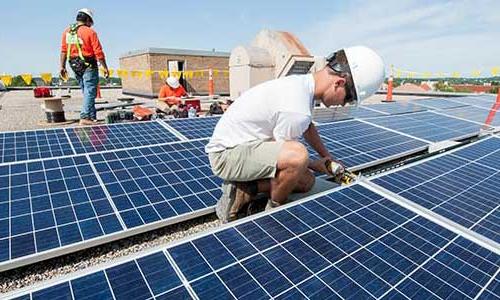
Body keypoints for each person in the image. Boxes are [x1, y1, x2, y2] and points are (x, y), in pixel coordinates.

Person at [205, 46, 385, 223]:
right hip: (226, 156)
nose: (344, 104)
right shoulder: (297, 108)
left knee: (306, 182)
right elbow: (291, 158)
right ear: (339, 83)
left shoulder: (303, 85)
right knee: (298, 158)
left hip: (242, 147)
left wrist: (327, 157)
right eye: (348, 99)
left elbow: (308, 127)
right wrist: (317, 165)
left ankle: (246, 189)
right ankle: (274, 210)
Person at [60, 8, 109, 126]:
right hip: (88, 64)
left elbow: (63, 51)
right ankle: (85, 117)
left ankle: (91, 116)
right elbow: (99, 53)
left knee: (86, 91)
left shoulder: (67, 32)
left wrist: (62, 66)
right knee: (90, 91)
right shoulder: (90, 32)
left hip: (74, 65)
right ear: (87, 19)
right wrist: (105, 67)